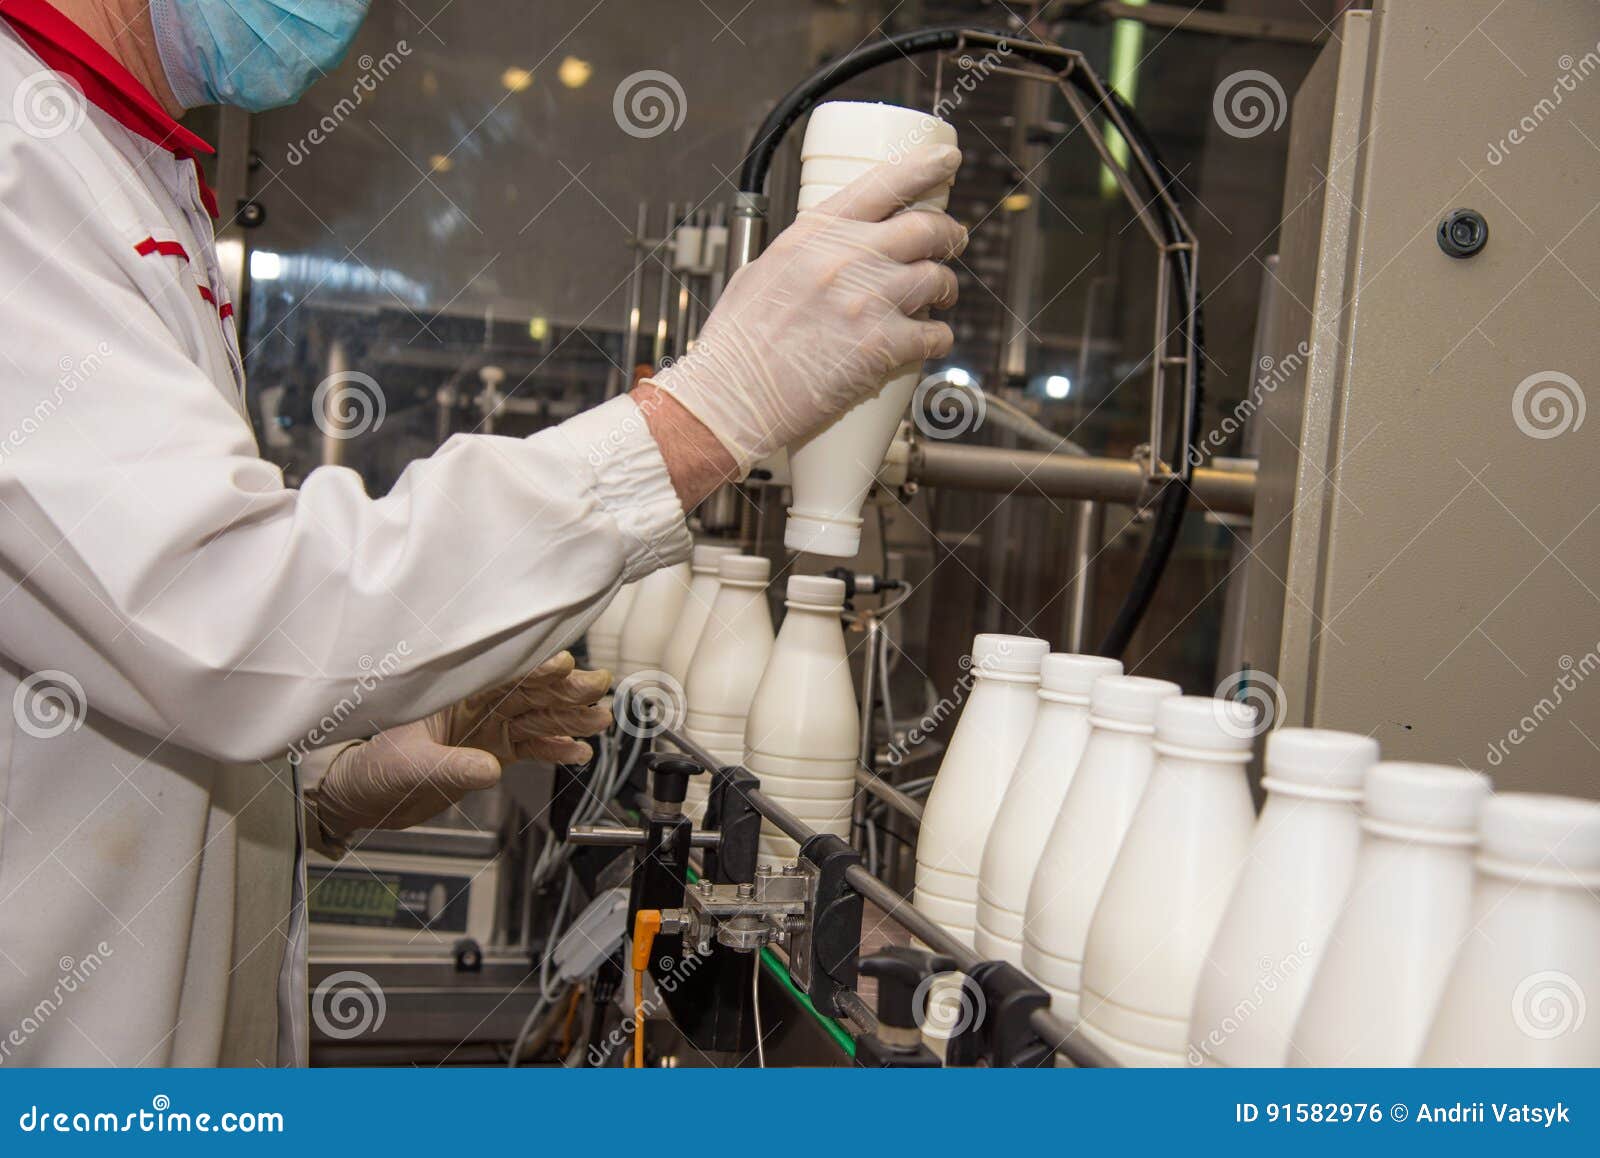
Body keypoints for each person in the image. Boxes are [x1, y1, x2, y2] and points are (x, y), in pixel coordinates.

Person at [0, 0, 964, 1064]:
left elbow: (116, 635)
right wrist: (706, 414)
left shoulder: (121, 160)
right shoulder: (19, 152)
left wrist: (325, 792)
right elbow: (215, 612)